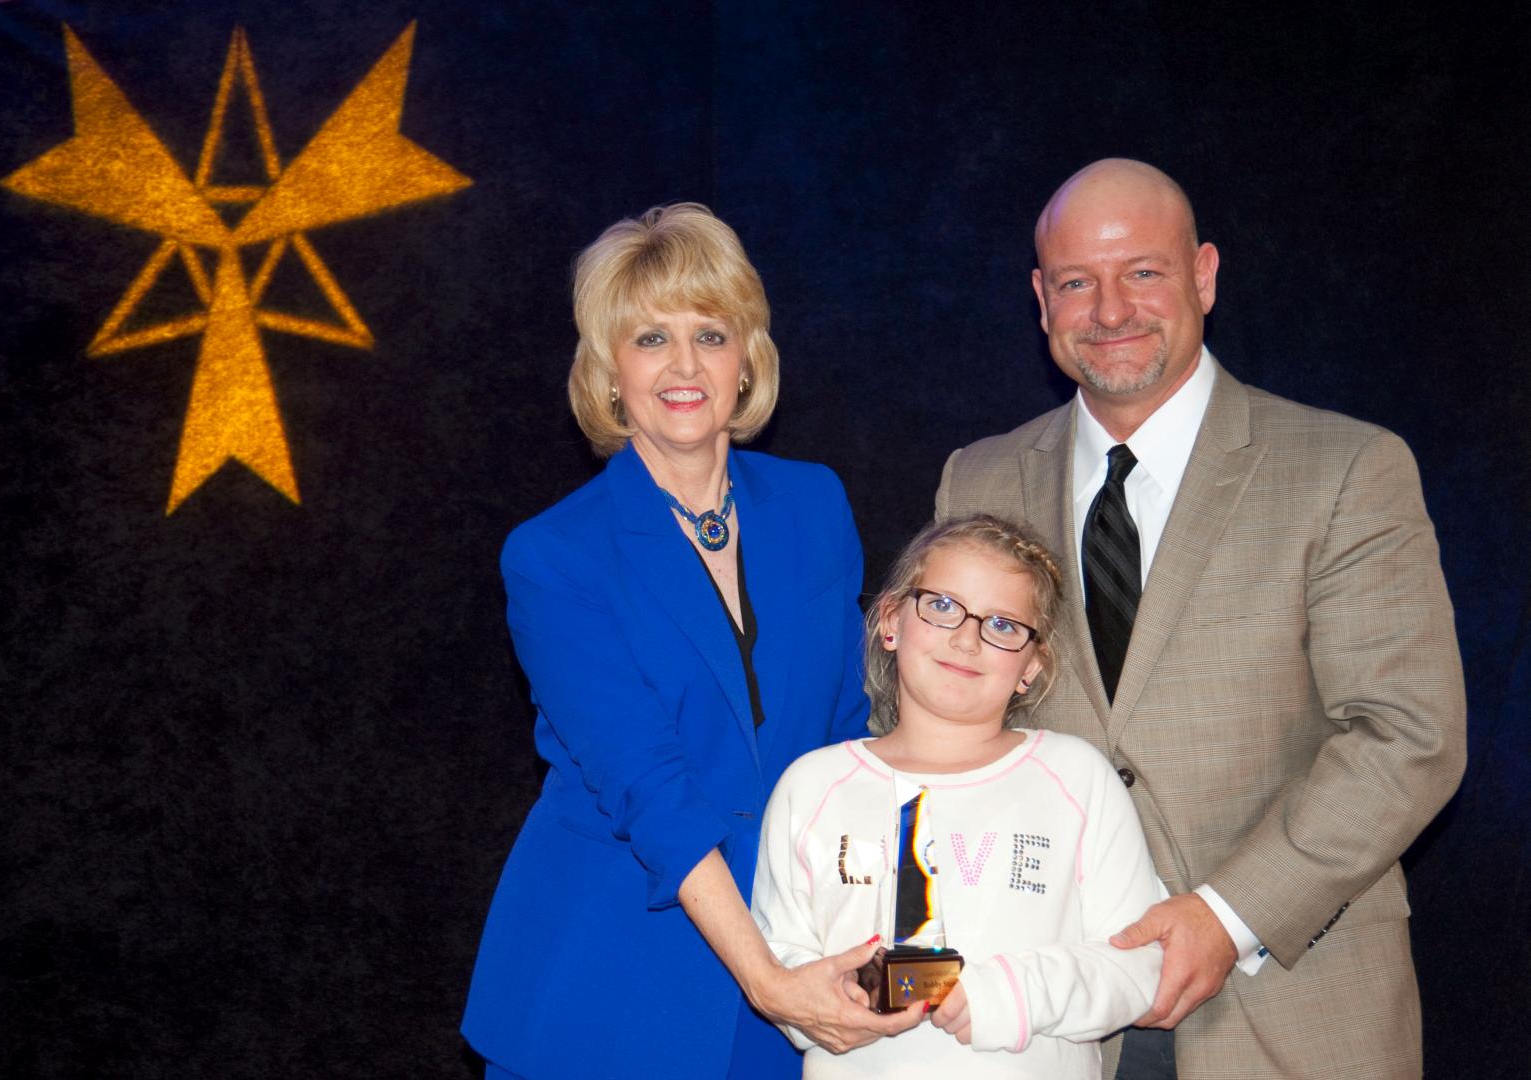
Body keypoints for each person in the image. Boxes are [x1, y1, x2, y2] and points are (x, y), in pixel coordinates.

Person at [935, 159, 1466, 1079]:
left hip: (1289, 1010)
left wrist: (1229, 914)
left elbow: (1409, 735)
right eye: (1076, 281)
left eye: (1142, 271)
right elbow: (943, 734)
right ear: (1041, 297)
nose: (1109, 309)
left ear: (1205, 275)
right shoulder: (977, 479)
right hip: (1051, 1024)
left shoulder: (1345, 469)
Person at [462, 204, 922, 1078]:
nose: (683, 366)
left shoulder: (814, 503)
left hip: (794, 948)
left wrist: (884, 928)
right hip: (611, 976)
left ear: (747, 359)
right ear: (607, 370)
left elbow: (851, 732)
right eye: (649, 339)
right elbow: (647, 787)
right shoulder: (554, 555)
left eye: (710, 334)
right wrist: (768, 979)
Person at [752, 514, 1164, 1078]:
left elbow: (1139, 963)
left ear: (1032, 664)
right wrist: (838, 994)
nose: (967, 638)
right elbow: (780, 960)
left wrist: (1009, 994)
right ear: (891, 620)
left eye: (1002, 624)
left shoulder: (1075, 779)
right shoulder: (812, 786)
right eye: (943, 606)